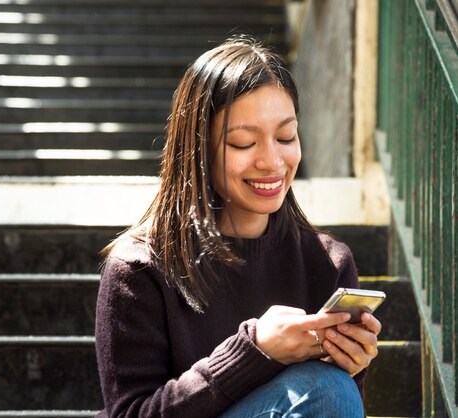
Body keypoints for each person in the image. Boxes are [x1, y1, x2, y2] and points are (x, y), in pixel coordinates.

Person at [94, 36, 381, 418]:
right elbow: (130, 413)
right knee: (325, 390)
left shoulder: (328, 262)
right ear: (197, 149)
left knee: (332, 389)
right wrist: (253, 352)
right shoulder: (140, 268)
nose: (272, 161)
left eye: (286, 136)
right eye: (244, 143)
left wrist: (352, 364)